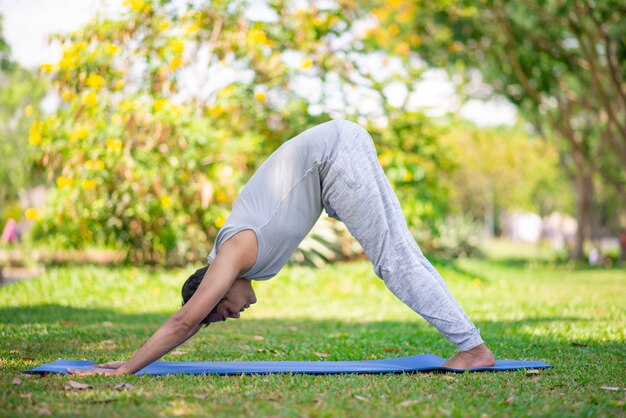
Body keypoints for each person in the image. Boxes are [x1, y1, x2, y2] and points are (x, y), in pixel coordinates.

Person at [70, 120, 494, 376]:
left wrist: (126, 367)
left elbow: (184, 321)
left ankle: (473, 348)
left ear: (217, 285)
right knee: (401, 255)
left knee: (395, 262)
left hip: (336, 156)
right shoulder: (247, 260)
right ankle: (471, 345)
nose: (234, 314)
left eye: (222, 308)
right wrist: (134, 360)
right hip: (338, 152)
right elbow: (192, 323)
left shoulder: (233, 251)